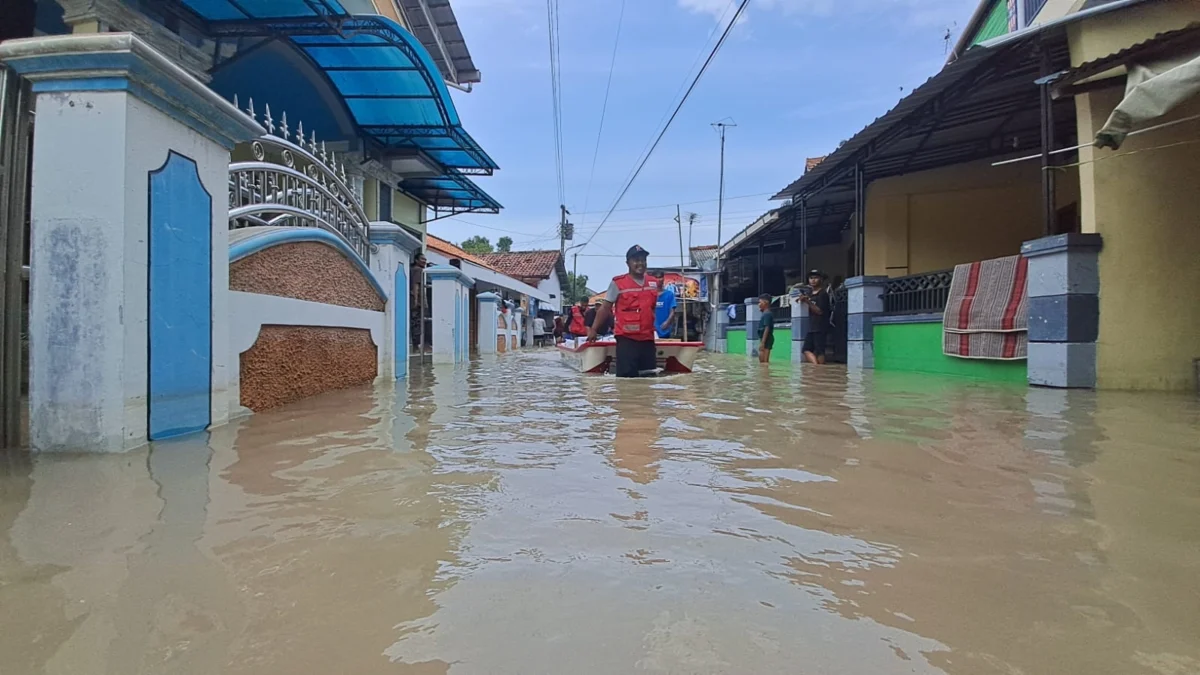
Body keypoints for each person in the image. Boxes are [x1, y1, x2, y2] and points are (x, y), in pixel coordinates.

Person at [589, 245, 660, 378]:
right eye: (636, 260)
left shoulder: (653, 283)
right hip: (627, 340)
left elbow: (652, 309)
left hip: (648, 340)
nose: (640, 263)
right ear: (628, 263)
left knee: (649, 378)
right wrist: (594, 329)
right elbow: (605, 308)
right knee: (626, 380)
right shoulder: (618, 283)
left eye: (643, 260)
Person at [800, 269, 831, 364]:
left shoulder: (823, 294)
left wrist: (807, 302)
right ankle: (817, 368)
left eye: (816, 278)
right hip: (812, 327)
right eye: (811, 278)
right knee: (806, 349)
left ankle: (818, 370)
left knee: (819, 351)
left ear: (821, 279)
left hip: (820, 327)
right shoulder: (810, 294)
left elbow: (819, 311)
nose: (813, 280)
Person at [757, 293, 775, 363]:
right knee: (762, 360)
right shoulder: (765, 313)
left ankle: (765, 372)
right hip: (764, 338)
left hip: (766, 339)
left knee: (764, 361)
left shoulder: (767, 314)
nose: (758, 304)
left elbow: (767, 328)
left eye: (760, 302)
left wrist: (763, 343)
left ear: (765, 302)